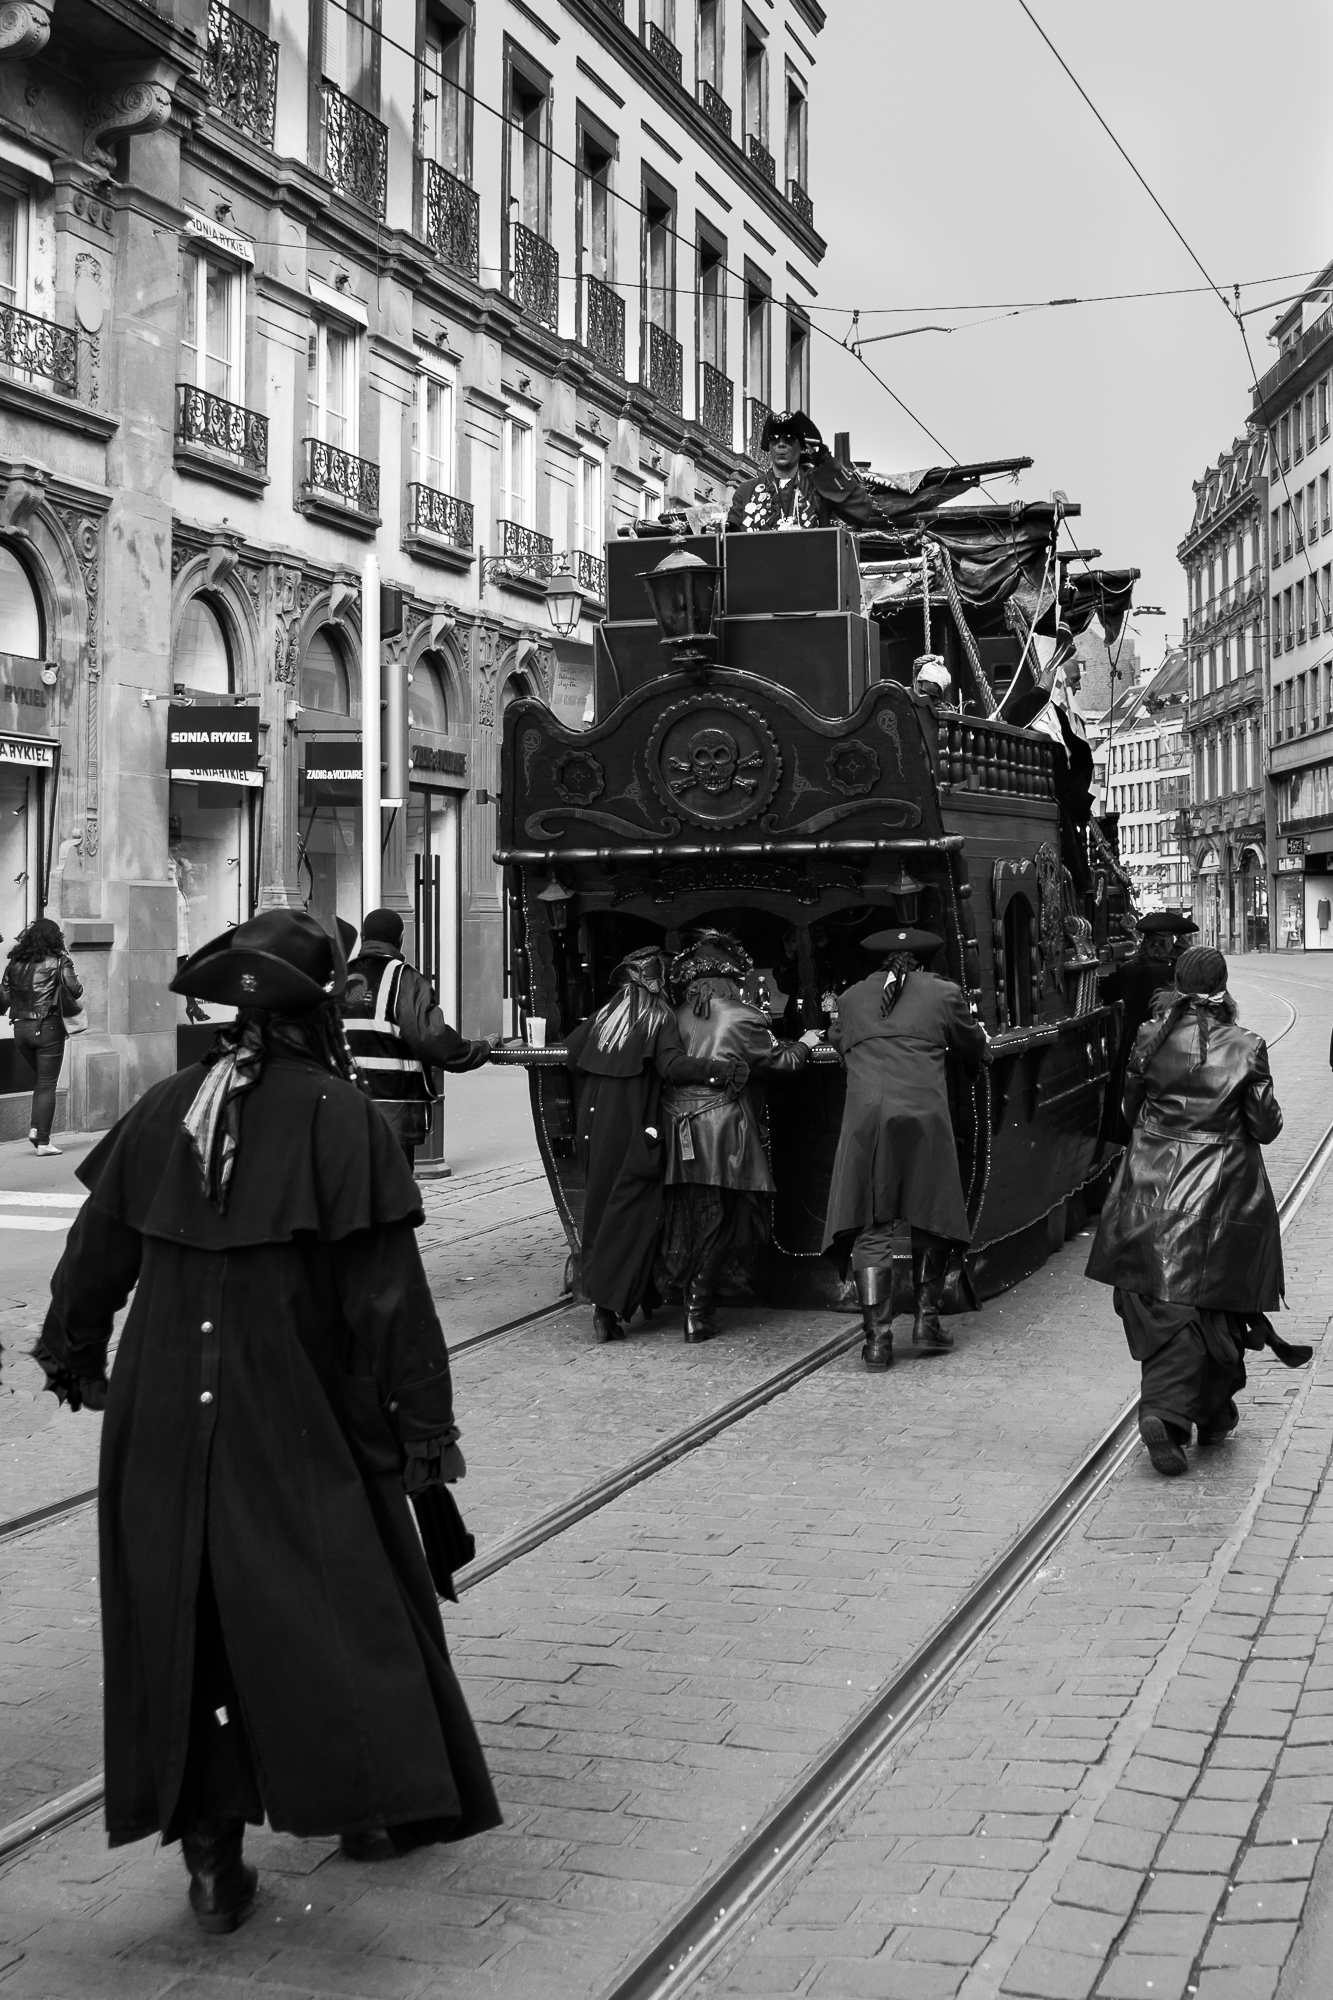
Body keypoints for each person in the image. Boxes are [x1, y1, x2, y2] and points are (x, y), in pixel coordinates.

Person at [31, 910, 500, 1933]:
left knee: (187, 1618)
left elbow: (93, 1254)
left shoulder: (167, 1105)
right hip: (293, 1403)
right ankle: (369, 1807)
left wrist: (75, 1354)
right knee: (346, 1598)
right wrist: (425, 1433)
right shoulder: (341, 1116)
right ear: (321, 1008)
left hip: (160, 1403)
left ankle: (213, 1862)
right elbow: (389, 1302)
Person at [1085, 946, 1290, 1476]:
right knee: (1215, 1301)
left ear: (1176, 983)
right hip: (1222, 1195)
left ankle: (1194, 1414)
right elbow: (1264, 1126)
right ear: (1224, 987)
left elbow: (1130, 1109)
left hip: (1150, 1189)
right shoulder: (1246, 1045)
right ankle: (1176, 1412)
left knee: (1163, 1301)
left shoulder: (1151, 1037)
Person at [821, 927, 991, 1371]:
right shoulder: (943, 992)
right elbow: (972, 1043)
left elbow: (837, 1038)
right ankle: (926, 1322)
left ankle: (877, 1343)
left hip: (866, 1121)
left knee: (871, 1222)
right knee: (930, 1211)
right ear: (924, 960)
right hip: (922, 1116)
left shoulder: (852, 996)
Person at [566, 946, 744, 1343]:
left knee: (600, 1212)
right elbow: (673, 1067)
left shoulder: (606, 1015)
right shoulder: (658, 1018)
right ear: (659, 984)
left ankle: (621, 1299)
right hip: (633, 1130)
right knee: (630, 1218)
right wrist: (720, 1070)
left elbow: (574, 1061)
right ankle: (607, 1307)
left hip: (594, 1127)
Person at [659, 931, 815, 1340]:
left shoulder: (674, 1014)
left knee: (695, 1216)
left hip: (679, 1127)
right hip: (722, 1130)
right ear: (731, 979)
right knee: (725, 1219)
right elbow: (781, 1062)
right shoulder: (743, 1016)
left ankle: (693, 1299)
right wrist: (806, 1042)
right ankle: (697, 1307)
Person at [342, 907, 491, 1171]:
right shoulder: (404, 979)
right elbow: (432, 1040)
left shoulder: (339, 978)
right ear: (400, 939)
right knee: (391, 1190)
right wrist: (482, 1048)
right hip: (391, 1112)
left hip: (341, 1109)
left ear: (363, 936)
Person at [1098, 910, 1198, 1149]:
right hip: (1175, 1047)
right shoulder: (1181, 971)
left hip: (1135, 1048)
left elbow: (1105, 993)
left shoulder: (1128, 969)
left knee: (1135, 1112)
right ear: (1175, 942)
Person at [0, 917, 84, 1156]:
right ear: (55, 939)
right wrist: (67, 961)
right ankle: (43, 1141)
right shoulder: (59, 960)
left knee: (42, 1081)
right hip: (47, 1027)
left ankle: (37, 1129)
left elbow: (3, 999)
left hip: (20, 1029)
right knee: (47, 1083)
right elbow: (76, 990)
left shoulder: (15, 963)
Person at [727, 411, 883, 533]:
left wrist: (826, 463)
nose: (781, 444)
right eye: (774, 438)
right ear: (769, 445)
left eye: (789, 438)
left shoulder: (819, 488)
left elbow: (862, 511)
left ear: (802, 447)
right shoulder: (746, 491)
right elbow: (730, 540)